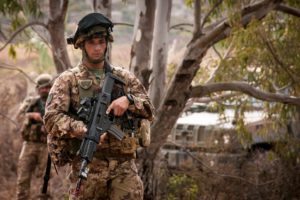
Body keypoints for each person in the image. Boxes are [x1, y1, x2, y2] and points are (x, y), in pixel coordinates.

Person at [44, 12, 154, 200]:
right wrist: (83, 130)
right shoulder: (68, 80)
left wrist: (128, 100)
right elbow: (51, 118)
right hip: (88, 167)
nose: (97, 48)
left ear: (106, 43)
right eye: (91, 43)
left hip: (124, 168)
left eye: (101, 42)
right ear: (81, 45)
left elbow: (149, 109)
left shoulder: (124, 77)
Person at [16, 73, 52, 200]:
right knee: (23, 178)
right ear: (37, 88)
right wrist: (32, 116)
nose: (45, 90)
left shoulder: (55, 102)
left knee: (46, 180)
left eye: (47, 87)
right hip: (29, 144)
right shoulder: (31, 102)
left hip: (46, 146)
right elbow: (19, 116)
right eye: (42, 88)